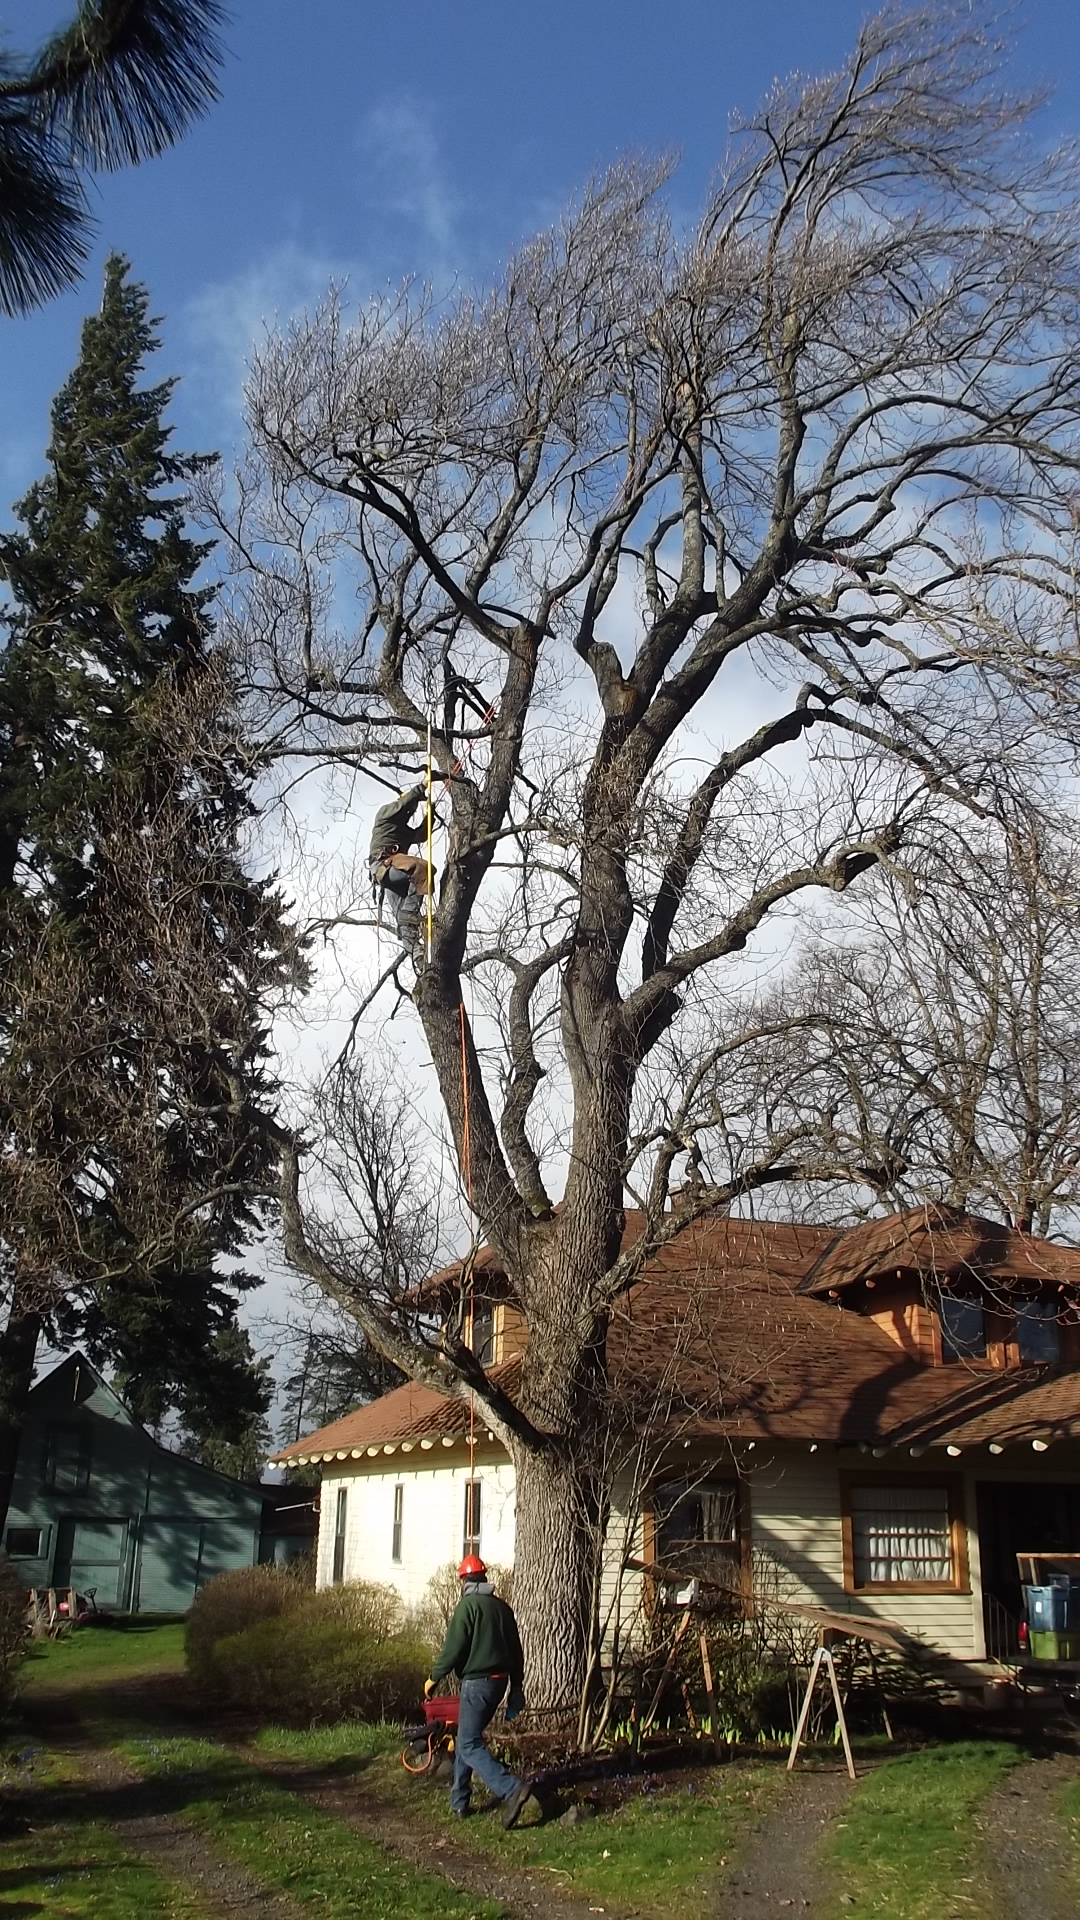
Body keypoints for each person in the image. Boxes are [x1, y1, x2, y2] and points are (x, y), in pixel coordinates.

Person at [425, 1554, 538, 1828]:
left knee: (467, 1743)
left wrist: (433, 1678)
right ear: (484, 1578)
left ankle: (511, 1789)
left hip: (477, 1684)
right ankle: (459, 1801)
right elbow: (517, 1653)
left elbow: (453, 1649)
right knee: (468, 1735)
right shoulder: (503, 1608)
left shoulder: (468, 1607)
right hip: (500, 1683)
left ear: (463, 1580)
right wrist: (517, 1687)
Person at [368, 782, 434, 958]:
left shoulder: (403, 831)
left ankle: (415, 952)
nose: (409, 812)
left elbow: (421, 835)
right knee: (423, 869)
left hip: (394, 875)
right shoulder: (385, 815)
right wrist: (422, 787)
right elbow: (403, 804)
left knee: (402, 915)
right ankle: (410, 913)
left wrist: (431, 814)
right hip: (384, 866)